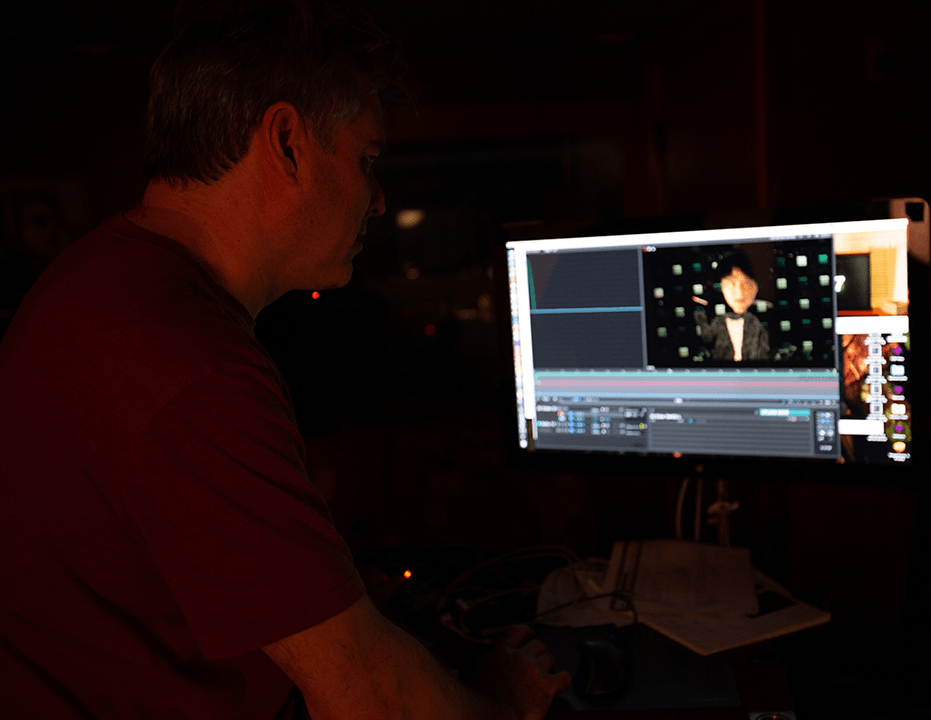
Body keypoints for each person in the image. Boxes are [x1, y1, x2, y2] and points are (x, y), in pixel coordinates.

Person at [0, 1, 570, 718]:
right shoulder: (188, 367)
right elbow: (372, 704)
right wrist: (502, 705)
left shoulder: (98, 278)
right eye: (366, 160)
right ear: (287, 143)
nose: (379, 200)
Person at [692, 249, 770, 362]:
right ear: (721, 287)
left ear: (756, 286)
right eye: (731, 284)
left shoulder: (756, 320)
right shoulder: (719, 321)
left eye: (746, 283)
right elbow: (707, 338)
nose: (739, 292)